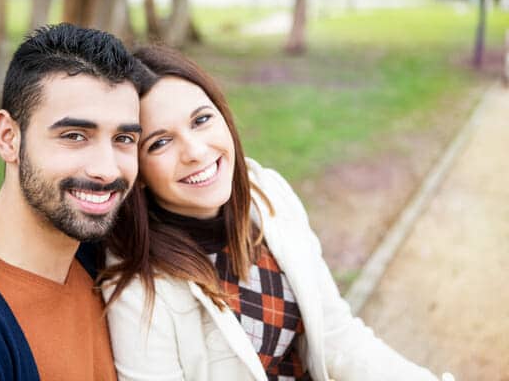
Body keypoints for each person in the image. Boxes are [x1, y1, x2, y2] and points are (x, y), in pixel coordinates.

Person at [100, 45, 455, 381]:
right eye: (160, 142)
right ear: (137, 171)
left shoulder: (268, 195)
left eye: (201, 120)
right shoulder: (137, 290)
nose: (195, 150)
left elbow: (336, 335)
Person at [0, 23, 142, 380]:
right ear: (8, 138)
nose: (106, 170)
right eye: (75, 135)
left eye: (124, 138)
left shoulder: (104, 258)